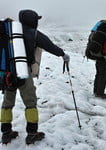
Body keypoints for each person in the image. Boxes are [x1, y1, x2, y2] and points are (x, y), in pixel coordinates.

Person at [0, 9, 70, 144]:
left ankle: (6, 132)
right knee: (30, 102)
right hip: (22, 72)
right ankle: (32, 133)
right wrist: (62, 54)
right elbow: (49, 46)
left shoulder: (8, 32)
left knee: (7, 103)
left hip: (7, 73)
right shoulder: (34, 33)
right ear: (33, 20)